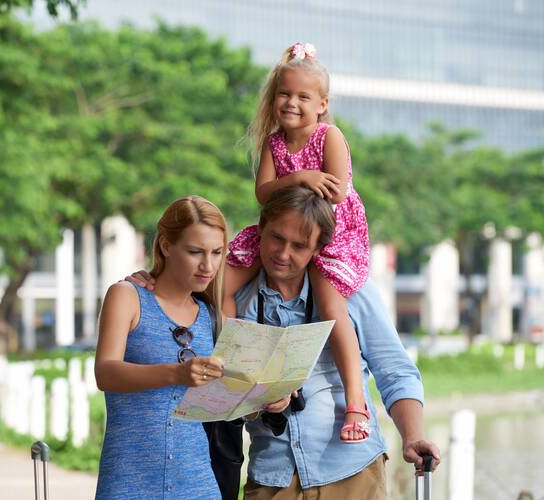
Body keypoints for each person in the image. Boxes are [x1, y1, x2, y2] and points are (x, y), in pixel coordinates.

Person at [129, 186, 441, 498]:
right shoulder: (228, 297)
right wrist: (148, 282)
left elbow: (396, 372)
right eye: (277, 238)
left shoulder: (354, 293)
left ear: (318, 248)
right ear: (260, 229)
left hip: (352, 471)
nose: (283, 254)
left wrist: (413, 436)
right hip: (271, 476)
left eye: (299, 246)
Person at [225, 41, 371, 444]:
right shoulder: (273, 143)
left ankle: (356, 401)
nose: (291, 103)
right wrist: (299, 179)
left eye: (303, 97)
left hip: (328, 231)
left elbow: (337, 192)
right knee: (224, 285)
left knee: (328, 303)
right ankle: (236, 370)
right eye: (284, 95)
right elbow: (263, 192)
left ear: (322, 104)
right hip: (282, 222)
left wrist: (305, 183)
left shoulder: (330, 136)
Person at [93, 195, 228, 499]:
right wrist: (176, 374)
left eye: (217, 252)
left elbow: (217, 401)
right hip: (129, 481)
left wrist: (265, 400)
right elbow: (105, 373)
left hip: (198, 484)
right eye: (195, 252)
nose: (208, 265)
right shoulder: (127, 296)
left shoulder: (210, 316)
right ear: (166, 246)